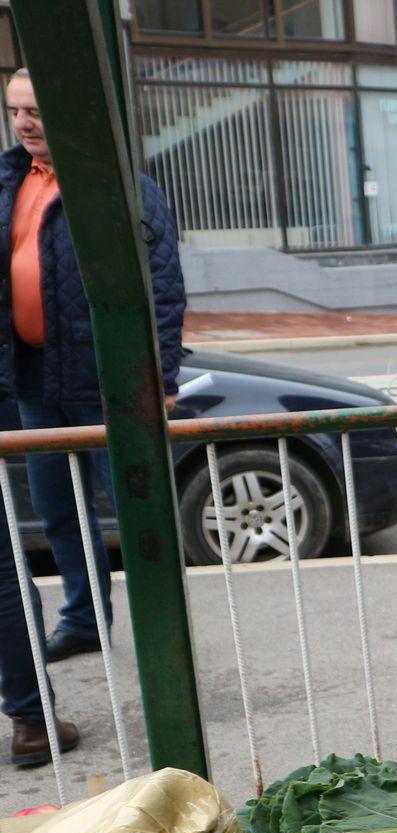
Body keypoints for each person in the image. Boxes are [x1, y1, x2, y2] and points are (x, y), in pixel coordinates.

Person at [0, 68, 185, 666]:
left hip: (105, 379)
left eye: (36, 111)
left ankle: (165, 630)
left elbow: (162, 290)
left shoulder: (118, 186)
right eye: (15, 111)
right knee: (58, 509)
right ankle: (83, 620)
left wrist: (162, 378)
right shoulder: (9, 181)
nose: (24, 123)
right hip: (33, 375)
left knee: (138, 508)